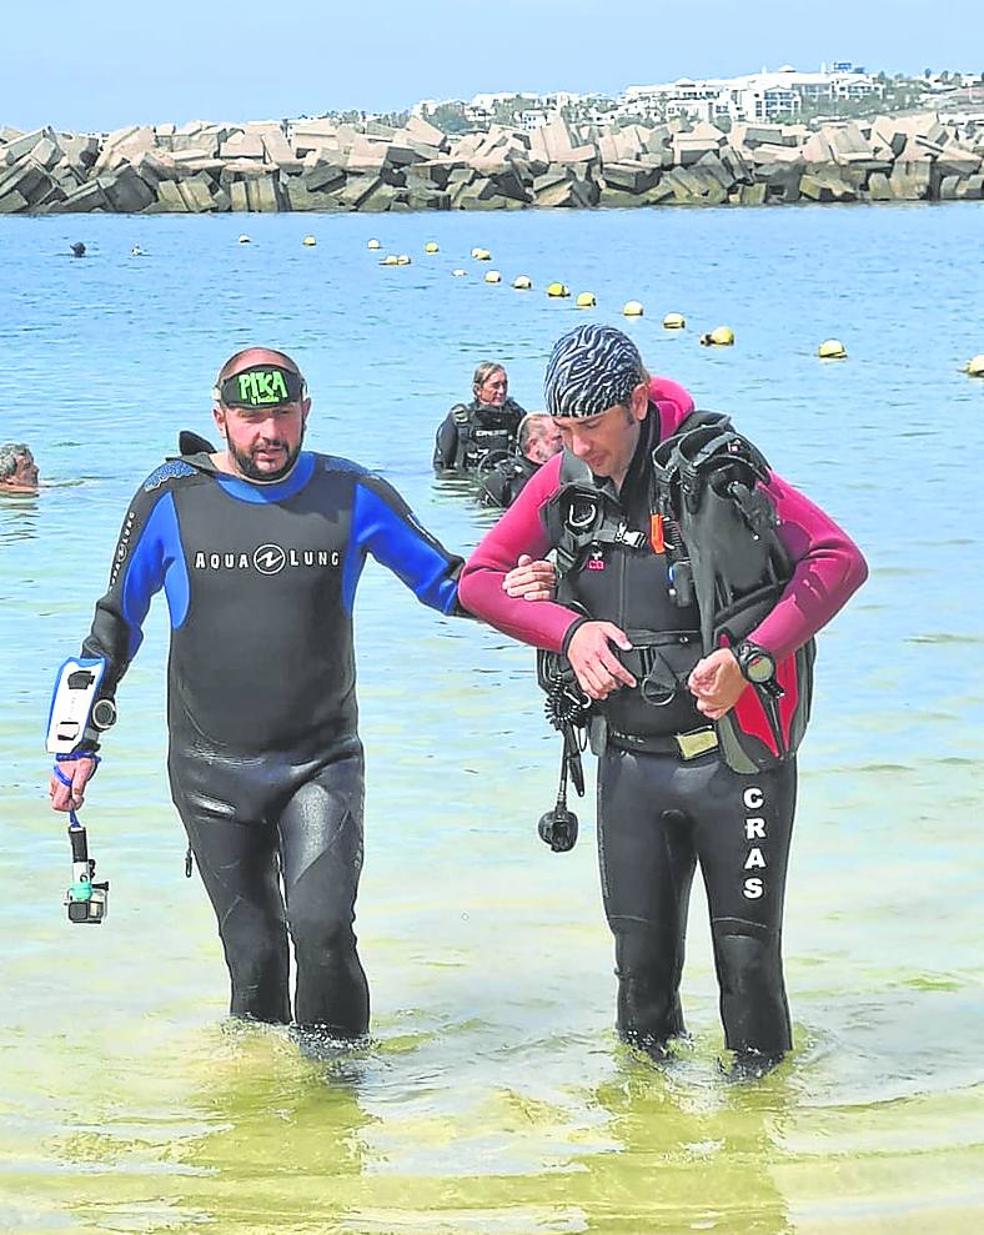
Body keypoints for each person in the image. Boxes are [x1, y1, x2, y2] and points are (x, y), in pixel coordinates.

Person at [47, 346, 553, 1037]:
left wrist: (534, 601)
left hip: (321, 762)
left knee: (322, 930)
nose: (269, 433)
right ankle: (265, 1128)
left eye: (283, 415)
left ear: (306, 411)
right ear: (220, 417)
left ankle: (340, 1104)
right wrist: (76, 741)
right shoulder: (170, 498)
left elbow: (448, 582)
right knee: (253, 960)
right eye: (251, 417)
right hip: (208, 776)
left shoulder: (351, 493)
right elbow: (114, 626)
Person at [459, 324, 868, 1073]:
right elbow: (478, 581)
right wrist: (566, 632)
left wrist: (750, 658)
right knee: (639, 990)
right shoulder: (563, 481)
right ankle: (644, 1171)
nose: (579, 447)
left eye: (593, 427)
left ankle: (756, 1163)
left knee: (747, 973)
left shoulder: (717, 472)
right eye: (564, 430)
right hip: (630, 766)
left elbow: (840, 560)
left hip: (735, 764)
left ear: (638, 401)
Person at [433, 361, 526, 474]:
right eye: (495, 385)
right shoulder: (460, 419)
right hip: (468, 482)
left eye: (504, 384)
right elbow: (441, 466)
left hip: (504, 480)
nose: (502, 391)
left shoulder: (516, 416)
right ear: (478, 390)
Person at [477, 413, 562, 509]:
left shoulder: (569, 472)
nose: (565, 442)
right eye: (557, 438)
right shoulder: (504, 482)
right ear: (534, 444)